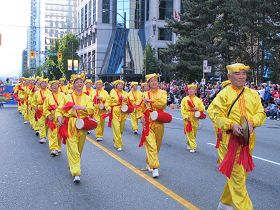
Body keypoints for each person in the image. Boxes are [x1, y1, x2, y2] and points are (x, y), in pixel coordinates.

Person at [207, 63, 266, 210]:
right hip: (229, 142)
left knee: (240, 176)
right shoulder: (224, 94)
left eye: (243, 73)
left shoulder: (252, 94)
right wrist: (231, 125)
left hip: (248, 141)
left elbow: (261, 113)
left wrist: (253, 122)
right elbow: (214, 113)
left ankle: (225, 204)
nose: (241, 76)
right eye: (237, 73)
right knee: (238, 178)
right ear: (229, 76)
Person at [56, 74, 94, 183]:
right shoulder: (67, 97)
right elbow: (60, 110)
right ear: (73, 85)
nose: (79, 84)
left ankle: (73, 164)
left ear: (83, 84)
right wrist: (59, 119)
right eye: (77, 82)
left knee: (79, 149)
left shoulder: (87, 97)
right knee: (73, 149)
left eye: (81, 82)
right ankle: (76, 173)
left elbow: (91, 109)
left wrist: (82, 108)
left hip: (83, 124)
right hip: (71, 125)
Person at [140, 73, 167, 178]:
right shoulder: (145, 94)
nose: (154, 82)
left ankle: (149, 162)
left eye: (155, 80)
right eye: (151, 81)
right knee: (151, 145)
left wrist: (151, 101)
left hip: (159, 121)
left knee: (157, 145)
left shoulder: (163, 92)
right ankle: (155, 168)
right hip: (148, 122)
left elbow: (163, 103)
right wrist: (141, 116)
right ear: (148, 84)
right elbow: (141, 107)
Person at [105, 80, 129, 151]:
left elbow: (131, 102)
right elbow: (107, 102)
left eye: (122, 85)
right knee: (117, 128)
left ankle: (116, 139)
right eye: (119, 84)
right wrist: (108, 108)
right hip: (115, 112)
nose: (121, 86)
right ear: (116, 85)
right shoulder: (112, 93)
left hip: (123, 112)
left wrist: (126, 100)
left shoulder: (125, 93)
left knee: (121, 129)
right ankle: (119, 144)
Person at [180, 84, 205, 153]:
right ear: (187, 91)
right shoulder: (184, 99)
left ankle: (189, 143)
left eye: (193, 89)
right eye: (190, 89)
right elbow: (182, 109)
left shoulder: (198, 100)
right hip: (188, 117)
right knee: (189, 132)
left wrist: (198, 108)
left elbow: (203, 108)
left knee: (194, 133)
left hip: (195, 117)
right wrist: (185, 117)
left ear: (195, 91)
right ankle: (193, 146)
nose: (191, 90)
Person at [43, 80, 65, 156]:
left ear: (58, 86)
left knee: (59, 133)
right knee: (52, 133)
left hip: (60, 117)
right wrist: (48, 114)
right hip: (52, 117)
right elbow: (45, 107)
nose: (54, 86)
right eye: (53, 85)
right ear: (50, 87)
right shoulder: (48, 96)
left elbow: (66, 106)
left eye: (56, 85)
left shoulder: (63, 95)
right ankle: (53, 148)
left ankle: (58, 146)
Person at [33, 78, 51, 143]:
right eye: (42, 83)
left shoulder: (50, 92)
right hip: (40, 109)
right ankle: (42, 137)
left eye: (45, 83)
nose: (44, 84)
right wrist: (35, 107)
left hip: (47, 109)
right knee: (41, 123)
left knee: (46, 124)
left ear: (47, 84)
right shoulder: (37, 93)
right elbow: (33, 101)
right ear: (40, 84)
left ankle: (45, 135)